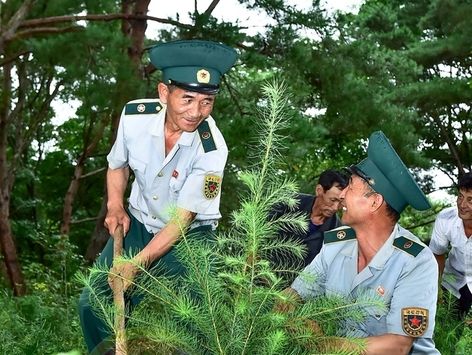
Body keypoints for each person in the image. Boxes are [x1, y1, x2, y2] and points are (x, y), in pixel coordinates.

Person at [78, 39, 238, 354]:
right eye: (188, 99)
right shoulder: (135, 117)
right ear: (164, 93)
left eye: (207, 102)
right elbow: (117, 166)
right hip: (138, 223)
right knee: (92, 302)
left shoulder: (212, 149)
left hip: (191, 235)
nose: (197, 112)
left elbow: (183, 219)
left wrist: (137, 263)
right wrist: (114, 205)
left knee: (194, 315)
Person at [286, 131, 440, 354]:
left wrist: (324, 345)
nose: (342, 195)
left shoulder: (416, 261)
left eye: (350, 186)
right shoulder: (335, 245)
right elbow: (295, 293)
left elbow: (398, 346)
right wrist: (290, 315)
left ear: (374, 202)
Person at [271, 169, 347, 273]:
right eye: (332, 200)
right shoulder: (290, 203)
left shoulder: (337, 232)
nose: (335, 208)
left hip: (293, 286)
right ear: (319, 190)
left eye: (341, 203)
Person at [429, 172, 472, 320]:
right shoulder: (446, 218)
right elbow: (437, 254)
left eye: (470, 200)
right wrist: (436, 290)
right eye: (460, 196)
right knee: (442, 325)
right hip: (451, 281)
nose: (462, 204)